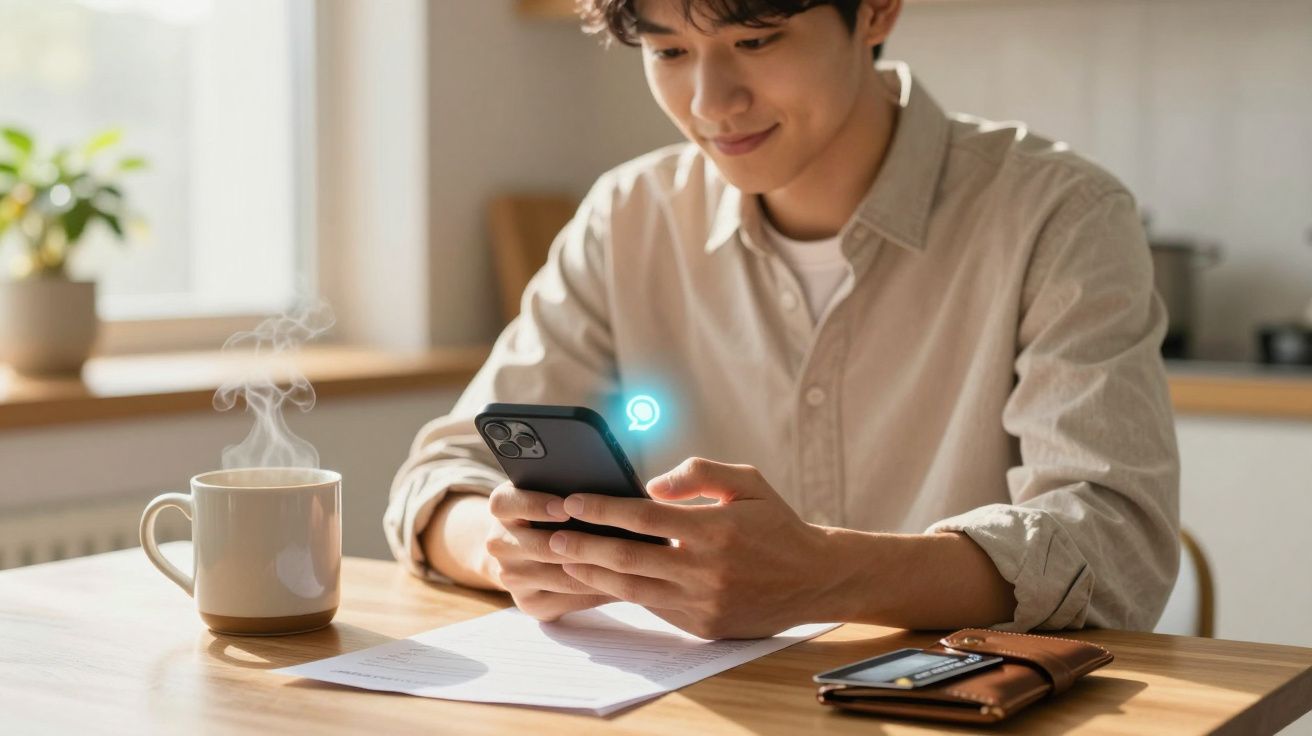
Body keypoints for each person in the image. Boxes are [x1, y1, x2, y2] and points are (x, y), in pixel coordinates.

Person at [384, 0, 1179, 640]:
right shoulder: (628, 217)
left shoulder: (1060, 216)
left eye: (756, 40)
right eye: (668, 51)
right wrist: (510, 551)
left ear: (877, 11)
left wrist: (826, 574)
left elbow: (1115, 546)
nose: (710, 103)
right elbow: (438, 480)